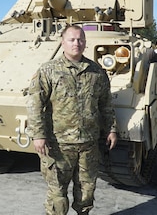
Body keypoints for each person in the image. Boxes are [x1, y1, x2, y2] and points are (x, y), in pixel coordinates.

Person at [27, 25, 118, 215]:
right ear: (63, 42)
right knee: (57, 194)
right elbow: (35, 105)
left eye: (80, 39)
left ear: (85, 42)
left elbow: (106, 104)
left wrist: (111, 129)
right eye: (72, 39)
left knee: (86, 192)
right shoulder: (48, 70)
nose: (77, 43)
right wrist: (38, 135)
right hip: (58, 144)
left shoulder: (96, 72)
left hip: (88, 144)